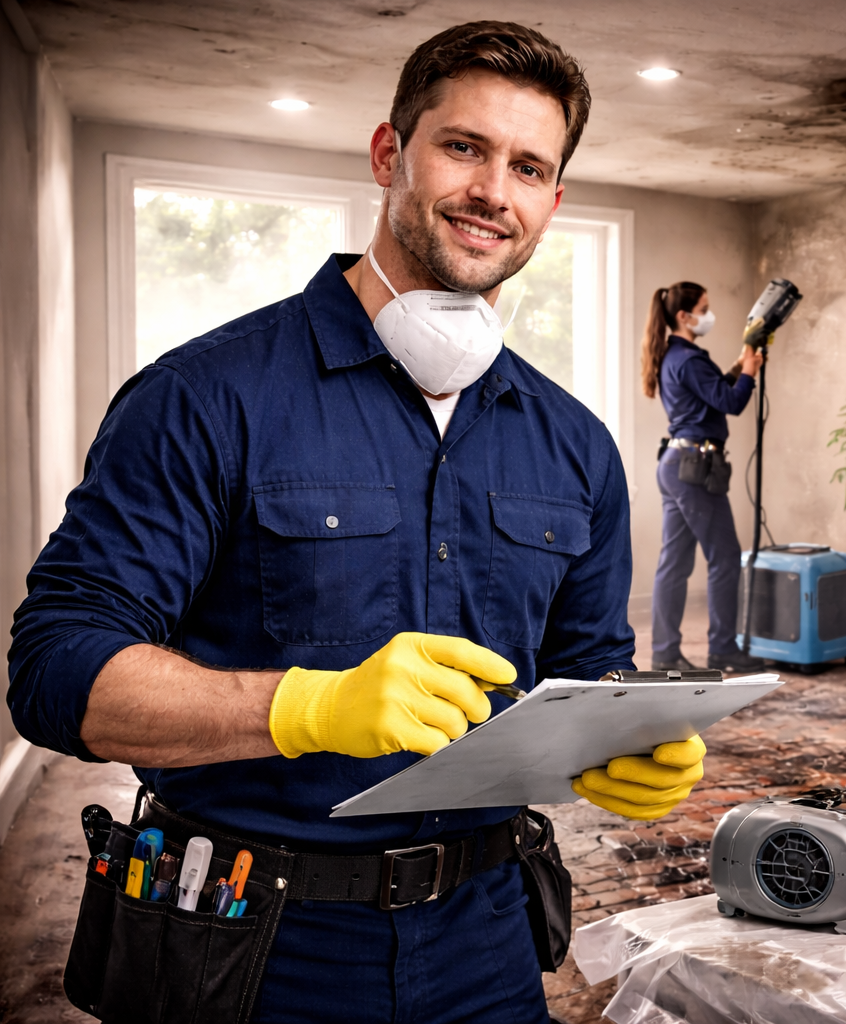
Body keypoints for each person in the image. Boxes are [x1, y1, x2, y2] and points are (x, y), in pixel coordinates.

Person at [8, 22, 704, 1024]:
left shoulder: (577, 443)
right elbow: (55, 668)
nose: (491, 191)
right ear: (390, 154)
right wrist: (299, 707)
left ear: (553, 201)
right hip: (247, 943)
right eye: (462, 147)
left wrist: (623, 732)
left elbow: (586, 663)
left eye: (528, 166)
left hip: (487, 937)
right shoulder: (207, 397)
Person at [642, 282, 766, 672]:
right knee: (725, 557)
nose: (709, 315)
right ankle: (724, 650)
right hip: (694, 467)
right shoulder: (689, 358)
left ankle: (664, 653)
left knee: (674, 562)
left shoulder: (673, 356)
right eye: (704, 307)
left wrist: (739, 367)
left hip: (675, 464)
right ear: (684, 316)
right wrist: (748, 373)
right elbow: (731, 402)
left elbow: (711, 394)